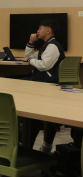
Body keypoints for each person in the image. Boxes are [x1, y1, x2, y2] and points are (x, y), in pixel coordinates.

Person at [22, 19, 65, 154]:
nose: (37, 31)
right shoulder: (46, 45)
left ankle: (39, 149)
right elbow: (28, 56)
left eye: (40, 28)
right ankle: (30, 148)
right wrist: (31, 43)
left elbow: (43, 65)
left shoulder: (53, 46)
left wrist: (30, 61)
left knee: (35, 118)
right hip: (41, 83)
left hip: (47, 85)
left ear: (48, 30)